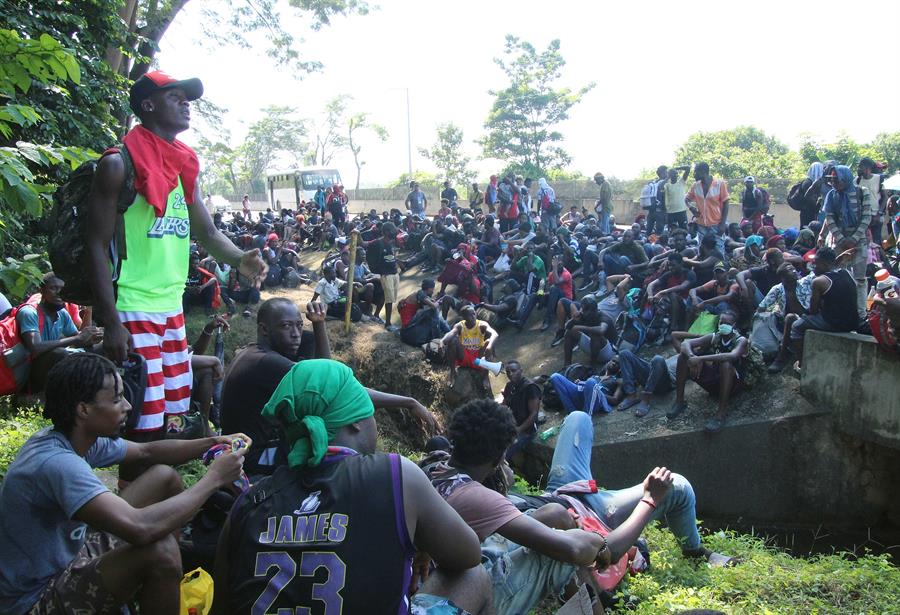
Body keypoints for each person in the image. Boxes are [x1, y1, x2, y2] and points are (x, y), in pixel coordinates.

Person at [213, 360, 492, 615]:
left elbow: (222, 606)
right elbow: (468, 554)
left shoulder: (249, 501)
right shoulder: (396, 474)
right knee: (474, 576)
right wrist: (421, 538)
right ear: (357, 421)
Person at [84, 70, 265, 436]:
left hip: (172, 307)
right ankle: (137, 490)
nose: (185, 103)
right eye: (174, 96)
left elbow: (208, 232)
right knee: (143, 422)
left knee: (173, 416)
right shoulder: (118, 165)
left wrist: (240, 259)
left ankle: (164, 486)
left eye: (187, 98)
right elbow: (95, 245)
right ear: (148, 105)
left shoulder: (183, 166)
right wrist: (112, 322)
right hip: (135, 308)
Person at [426, 399, 733, 615]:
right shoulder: (480, 497)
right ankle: (695, 549)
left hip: (562, 492)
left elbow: (541, 518)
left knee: (578, 418)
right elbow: (584, 552)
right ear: (498, 459)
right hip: (596, 515)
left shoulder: (437, 470)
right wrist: (650, 498)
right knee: (677, 485)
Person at [0, 353, 251, 615]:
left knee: (164, 478)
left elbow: (147, 452)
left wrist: (212, 443)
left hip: (70, 557)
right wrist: (214, 479)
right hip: (33, 599)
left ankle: (160, 588)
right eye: (117, 398)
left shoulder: (74, 438)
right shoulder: (58, 464)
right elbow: (139, 528)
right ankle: (160, 575)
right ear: (83, 409)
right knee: (161, 551)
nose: (128, 406)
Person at [220, 298, 437, 477]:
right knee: (336, 446)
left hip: (248, 448)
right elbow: (332, 387)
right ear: (264, 330)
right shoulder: (267, 363)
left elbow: (326, 372)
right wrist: (409, 402)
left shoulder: (254, 352)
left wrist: (317, 323)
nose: (296, 333)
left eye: (298, 325)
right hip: (254, 458)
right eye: (286, 326)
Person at [770, 247, 859, 371]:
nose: (813, 267)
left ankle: (802, 364)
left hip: (835, 324)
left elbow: (813, 311)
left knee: (796, 327)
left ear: (825, 264)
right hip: (853, 322)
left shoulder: (819, 282)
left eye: (816, 264)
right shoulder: (847, 273)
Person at [14, 273, 103, 393]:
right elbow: (35, 347)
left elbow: (78, 340)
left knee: (103, 346)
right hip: (28, 371)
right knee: (58, 353)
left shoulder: (62, 313)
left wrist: (92, 337)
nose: (59, 293)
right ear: (41, 290)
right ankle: (38, 395)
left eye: (62, 289)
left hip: (52, 365)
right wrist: (77, 339)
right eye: (53, 288)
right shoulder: (29, 312)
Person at [667, 311, 748, 433]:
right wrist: (691, 357)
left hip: (733, 384)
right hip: (716, 380)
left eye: (727, 323)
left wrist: (700, 359)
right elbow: (685, 343)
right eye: (721, 322)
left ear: (734, 325)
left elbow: (731, 356)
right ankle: (680, 402)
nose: (723, 325)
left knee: (726, 365)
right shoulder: (715, 336)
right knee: (682, 357)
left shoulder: (741, 340)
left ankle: (721, 414)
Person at [821, 165, 874, 317]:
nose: (834, 183)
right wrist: (841, 238)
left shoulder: (862, 192)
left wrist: (854, 238)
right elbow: (829, 218)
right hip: (838, 242)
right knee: (838, 275)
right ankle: (840, 311)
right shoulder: (831, 196)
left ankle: (860, 313)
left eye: (837, 180)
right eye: (832, 180)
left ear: (845, 179)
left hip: (859, 241)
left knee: (859, 279)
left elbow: (866, 217)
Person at [438, 304, 498, 391]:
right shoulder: (460, 326)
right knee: (453, 341)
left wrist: (489, 346)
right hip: (464, 357)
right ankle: (452, 372)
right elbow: (451, 333)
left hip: (478, 359)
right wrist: (442, 341)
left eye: (474, 313)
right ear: (464, 317)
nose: (473, 316)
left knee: (489, 343)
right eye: (470, 315)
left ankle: (485, 376)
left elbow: (495, 334)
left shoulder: (481, 325)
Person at [616, 349, 679, 418]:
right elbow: (676, 340)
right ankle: (631, 395)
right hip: (653, 370)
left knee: (658, 359)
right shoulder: (686, 348)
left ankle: (646, 398)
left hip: (665, 381)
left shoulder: (689, 358)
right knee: (624, 353)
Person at [685, 162, 729, 256]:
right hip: (701, 224)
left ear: (703, 172)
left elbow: (726, 203)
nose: (694, 174)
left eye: (695, 172)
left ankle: (720, 269)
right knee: (702, 250)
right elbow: (686, 199)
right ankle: (703, 269)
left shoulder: (719, 184)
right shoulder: (695, 186)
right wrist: (691, 207)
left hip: (716, 224)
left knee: (718, 249)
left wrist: (723, 224)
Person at [561, 295, 618, 367]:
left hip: (608, 352)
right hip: (594, 348)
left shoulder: (604, 317)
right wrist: (573, 319)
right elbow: (567, 327)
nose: (584, 315)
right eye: (583, 312)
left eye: (587, 313)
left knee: (595, 334)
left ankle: (592, 366)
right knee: (569, 332)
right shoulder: (583, 315)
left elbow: (601, 330)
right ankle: (567, 365)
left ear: (594, 311)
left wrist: (581, 327)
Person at [501, 361, 541, 460]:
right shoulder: (509, 386)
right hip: (513, 424)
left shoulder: (530, 388)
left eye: (513, 371)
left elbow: (534, 414)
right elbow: (504, 406)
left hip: (527, 430)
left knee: (503, 453)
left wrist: (519, 429)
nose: (510, 374)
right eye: (508, 372)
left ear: (521, 371)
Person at [367, 222, 402, 331]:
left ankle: (376, 315)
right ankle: (388, 323)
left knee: (388, 297)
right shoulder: (378, 242)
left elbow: (389, 256)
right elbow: (365, 245)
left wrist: (397, 261)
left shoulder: (390, 242)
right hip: (386, 275)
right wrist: (357, 235)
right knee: (389, 300)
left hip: (394, 273)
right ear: (386, 232)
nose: (395, 232)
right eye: (392, 230)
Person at [398, 278, 452, 346]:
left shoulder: (420, 293)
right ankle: (438, 337)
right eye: (433, 289)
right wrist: (439, 301)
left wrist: (437, 300)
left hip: (409, 323)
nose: (433, 291)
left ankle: (448, 332)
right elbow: (434, 306)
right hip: (408, 325)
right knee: (433, 312)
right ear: (429, 288)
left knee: (434, 314)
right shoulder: (421, 294)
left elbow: (431, 302)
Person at [857, 157, 886, 243]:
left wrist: (879, 214)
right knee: (864, 242)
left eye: (860, 166)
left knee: (876, 242)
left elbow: (884, 197)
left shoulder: (879, 179)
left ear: (867, 168)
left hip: (876, 216)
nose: (859, 169)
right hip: (863, 217)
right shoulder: (857, 180)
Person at [664, 165, 691, 229]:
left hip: (681, 211)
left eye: (676, 173)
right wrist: (668, 177)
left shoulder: (681, 182)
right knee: (672, 231)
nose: (676, 175)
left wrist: (676, 168)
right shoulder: (667, 185)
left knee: (684, 230)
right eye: (673, 174)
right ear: (670, 175)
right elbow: (660, 186)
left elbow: (688, 168)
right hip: (671, 212)